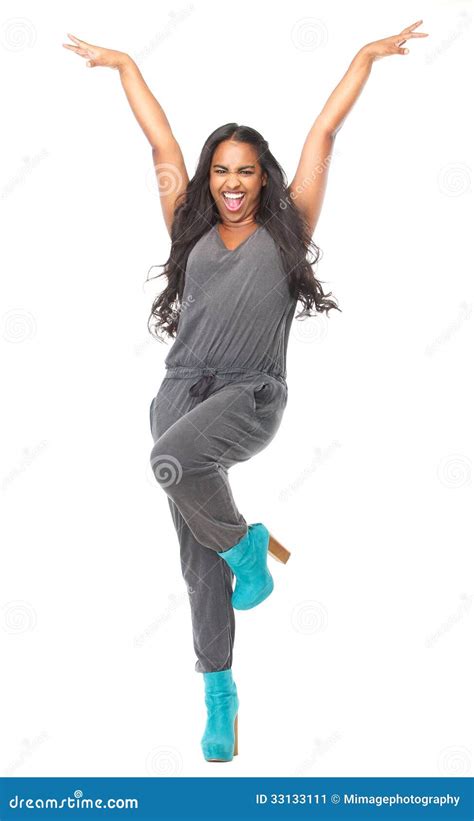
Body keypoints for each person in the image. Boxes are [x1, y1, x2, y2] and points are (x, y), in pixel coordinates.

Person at [63, 19, 428, 763]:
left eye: (247, 171)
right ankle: (220, 693)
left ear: (265, 179)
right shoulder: (187, 227)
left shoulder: (288, 229)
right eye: (222, 171)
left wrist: (362, 57)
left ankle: (248, 544)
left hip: (251, 395)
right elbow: (162, 144)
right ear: (211, 178)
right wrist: (127, 63)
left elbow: (323, 135)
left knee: (170, 461)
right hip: (180, 391)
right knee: (195, 551)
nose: (232, 182)